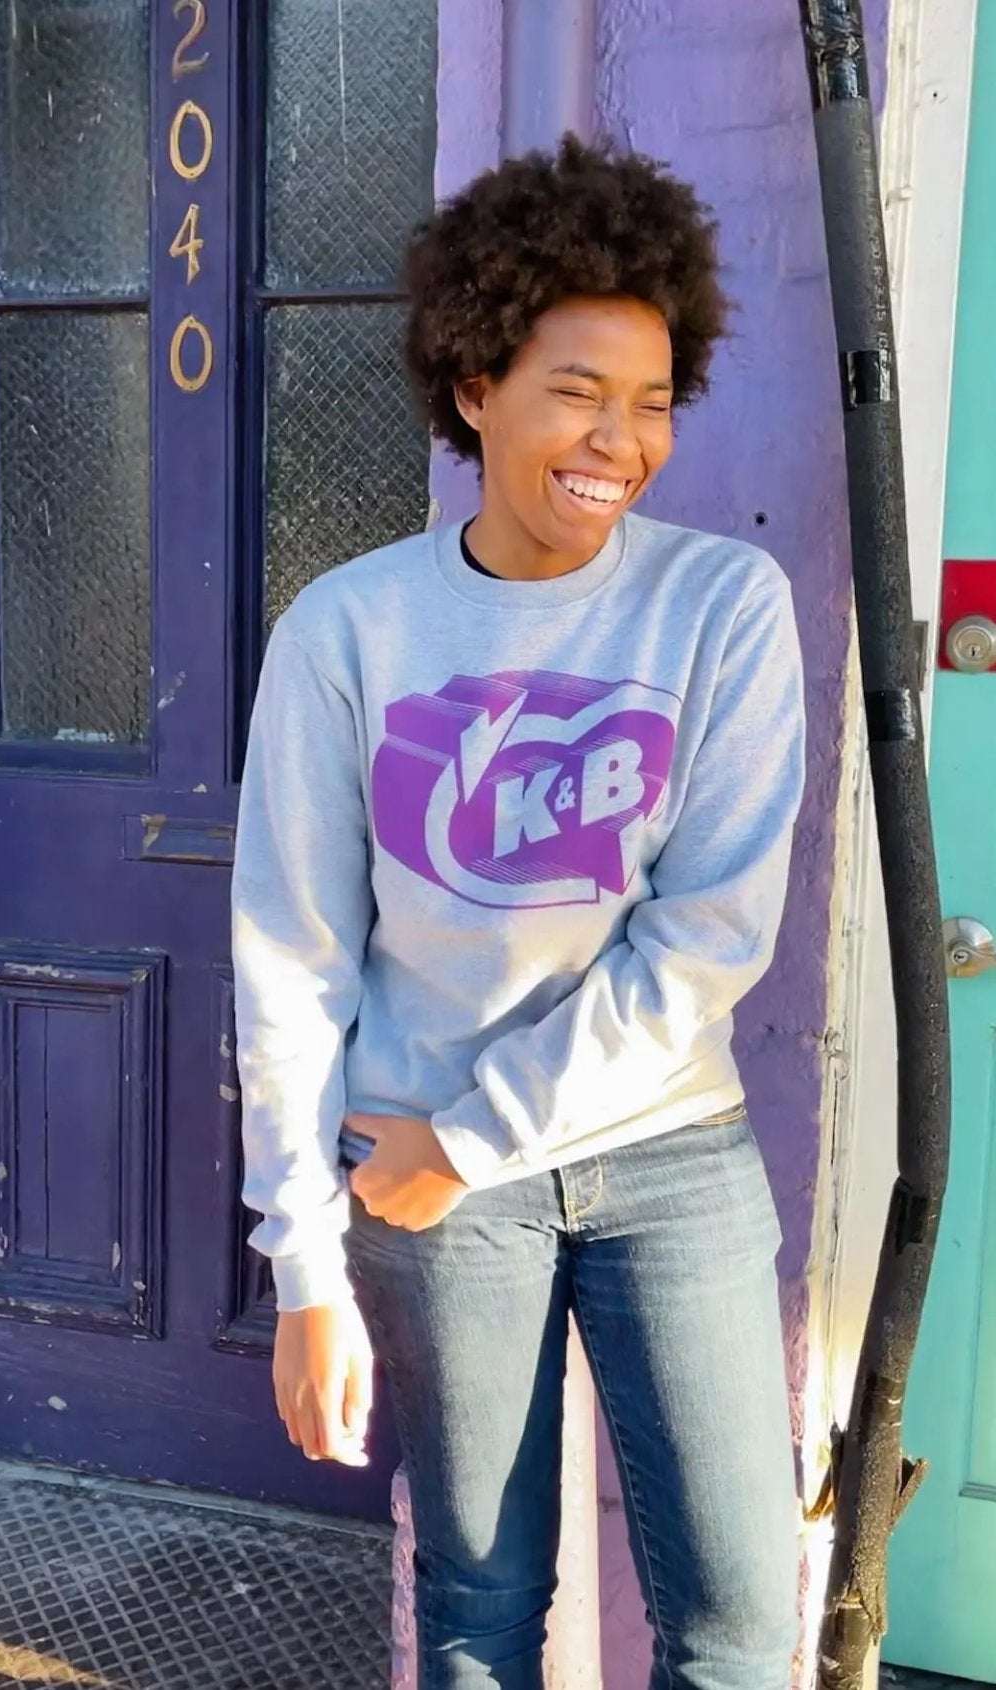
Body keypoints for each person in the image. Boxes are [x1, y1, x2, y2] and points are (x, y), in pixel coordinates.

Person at [232, 135, 805, 1690]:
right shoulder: (350, 628)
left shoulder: (721, 609)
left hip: (663, 1154)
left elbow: (705, 943)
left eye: (653, 399)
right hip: (428, 1181)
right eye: (578, 390)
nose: (621, 439)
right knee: (481, 1609)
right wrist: (305, 1267)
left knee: (742, 1630)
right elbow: (290, 961)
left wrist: (472, 1133)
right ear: (476, 383)